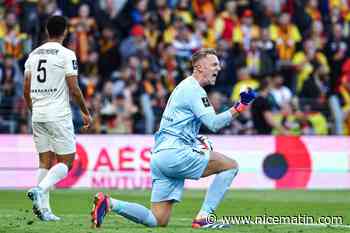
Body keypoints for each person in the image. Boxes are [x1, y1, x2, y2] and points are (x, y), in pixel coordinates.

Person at [90, 48, 256, 228]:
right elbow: (214, 124)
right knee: (230, 166)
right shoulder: (194, 90)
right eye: (214, 64)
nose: (219, 68)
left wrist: (196, 138)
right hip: (176, 153)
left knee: (157, 220)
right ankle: (204, 218)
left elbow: (180, 124)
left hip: (161, 156)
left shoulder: (184, 87)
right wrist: (240, 107)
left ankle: (110, 203)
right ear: (199, 67)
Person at [23, 16, 92, 221]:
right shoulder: (66, 54)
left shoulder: (33, 54)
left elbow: (26, 89)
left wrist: (32, 110)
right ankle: (39, 189)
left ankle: (45, 211)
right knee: (67, 163)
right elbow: (74, 87)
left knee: (44, 161)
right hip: (58, 115)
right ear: (65, 32)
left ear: (46, 31)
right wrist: (85, 111)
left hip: (38, 114)